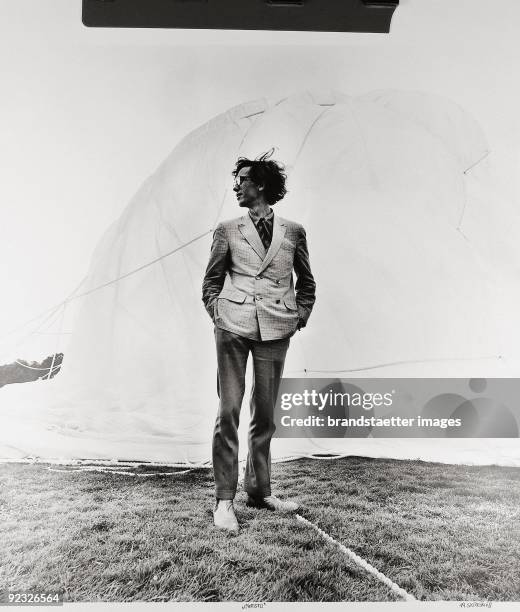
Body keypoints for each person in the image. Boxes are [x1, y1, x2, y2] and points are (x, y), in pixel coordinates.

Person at [202, 152, 316, 533]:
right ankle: (223, 502)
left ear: (261, 185)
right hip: (232, 327)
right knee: (228, 411)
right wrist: (219, 313)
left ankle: (259, 490)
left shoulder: (294, 232)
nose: (236, 186)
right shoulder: (227, 229)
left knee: (264, 414)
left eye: (243, 179)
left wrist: (298, 316)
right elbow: (211, 282)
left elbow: (306, 283)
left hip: (275, 329)